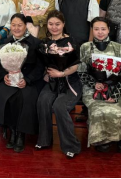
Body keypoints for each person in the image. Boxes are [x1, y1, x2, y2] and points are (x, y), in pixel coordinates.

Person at [78, 17, 121, 153]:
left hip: (115, 87)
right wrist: (94, 83)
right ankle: (102, 139)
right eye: (96, 29)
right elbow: (81, 72)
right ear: (92, 30)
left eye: (103, 29)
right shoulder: (85, 47)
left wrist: (116, 93)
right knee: (98, 110)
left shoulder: (118, 47)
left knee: (118, 111)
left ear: (108, 30)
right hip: (93, 88)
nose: (100, 32)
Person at [0, 13, 45, 152]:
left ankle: (21, 134)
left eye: (20, 25)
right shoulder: (6, 43)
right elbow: (1, 66)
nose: (16, 28)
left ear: (25, 26)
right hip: (10, 79)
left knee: (24, 97)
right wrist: (4, 76)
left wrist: (27, 80)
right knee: (5, 95)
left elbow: (40, 67)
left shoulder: (36, 43)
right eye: (13, 25)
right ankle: (11, 131)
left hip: (29, 80)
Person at [36, 10, 82, 158]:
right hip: (52, 82)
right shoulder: (44, 43)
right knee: (43, 101)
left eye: (57, 24)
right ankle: (44, 140)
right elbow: (42, 63)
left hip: (70, 82)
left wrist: (61, 74)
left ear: (63, 24)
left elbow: (76, 65)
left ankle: (71, 145)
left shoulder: (71, 42)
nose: (54, 27)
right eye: (51, 24)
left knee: (59, 106)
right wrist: (46, 73)